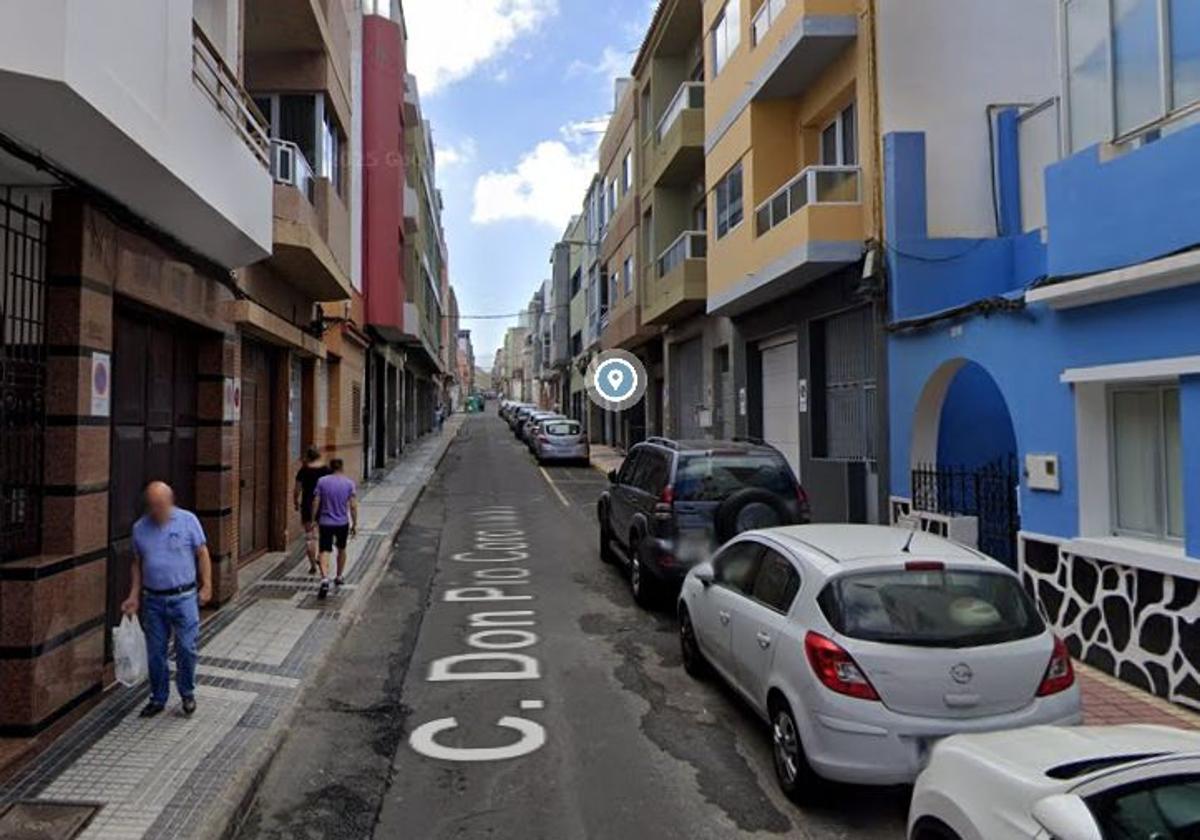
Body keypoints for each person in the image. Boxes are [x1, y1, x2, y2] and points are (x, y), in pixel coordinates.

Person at [121, 481, 212, 718]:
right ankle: (158, 697)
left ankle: (187, 693)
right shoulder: (140, 528)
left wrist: (207, 585)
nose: (157, 510)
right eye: (152, 505)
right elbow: (137, 564)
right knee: (155, 652)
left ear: (170, 501)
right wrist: (133, 595)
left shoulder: (188, 521)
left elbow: (202, 553)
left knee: (186, 648)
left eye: (160, 504)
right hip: (153, 600)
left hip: (184, 597)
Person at [312, 458, 358, 599]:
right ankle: (339, 576)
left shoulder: (322, 481)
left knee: (324, 550)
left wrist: (314, 519)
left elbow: (316, 501)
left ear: (330, 467)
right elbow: (353, 506)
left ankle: (325, 578)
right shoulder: (349, 483)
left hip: (325, 522)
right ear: (342, 468)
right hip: (342, 523)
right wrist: (354, 524)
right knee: (341, 549)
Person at [293, 446, 330, 575]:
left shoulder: (304, 470)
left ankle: (313, 565)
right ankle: (321, 557)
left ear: (308, 457)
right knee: (322, 535)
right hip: (324, 505)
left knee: (310, 537)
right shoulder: (326, 470)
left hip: (308, 505)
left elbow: (297, 489)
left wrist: (295, 501)